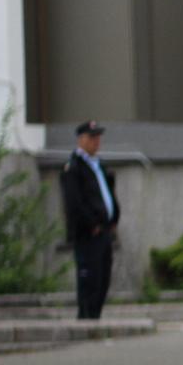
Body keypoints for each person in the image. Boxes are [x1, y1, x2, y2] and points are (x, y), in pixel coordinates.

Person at [60, 119, 120, 320]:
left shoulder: (98, 165)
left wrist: (114, 217)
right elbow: (74, 203)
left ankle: (95, 317)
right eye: (92, 137)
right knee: (89, 278)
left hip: (104, 231)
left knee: (103, 277)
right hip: (88, 234)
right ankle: (86, 318)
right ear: (81, 139)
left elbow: (107, 194)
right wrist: (91, 224)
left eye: (98, 137)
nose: (97, 142)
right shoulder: (74, 167)